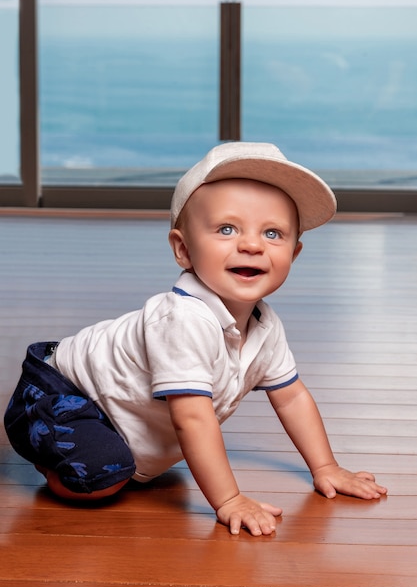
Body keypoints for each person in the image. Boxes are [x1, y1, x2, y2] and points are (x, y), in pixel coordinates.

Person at [4, 142, 387, 536]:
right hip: (57, 390)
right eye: (227, 228)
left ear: (295, 252)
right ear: (183, 249)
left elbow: (291, 396)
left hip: (113, 405)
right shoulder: (182, 319)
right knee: (106, 476)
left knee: (141, 466)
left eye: (273, 233)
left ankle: (104, 442)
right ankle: (41, 446)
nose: (252, 245)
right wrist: (229, 499)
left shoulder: (265, 324)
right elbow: (191, 417)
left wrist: (325, 467)